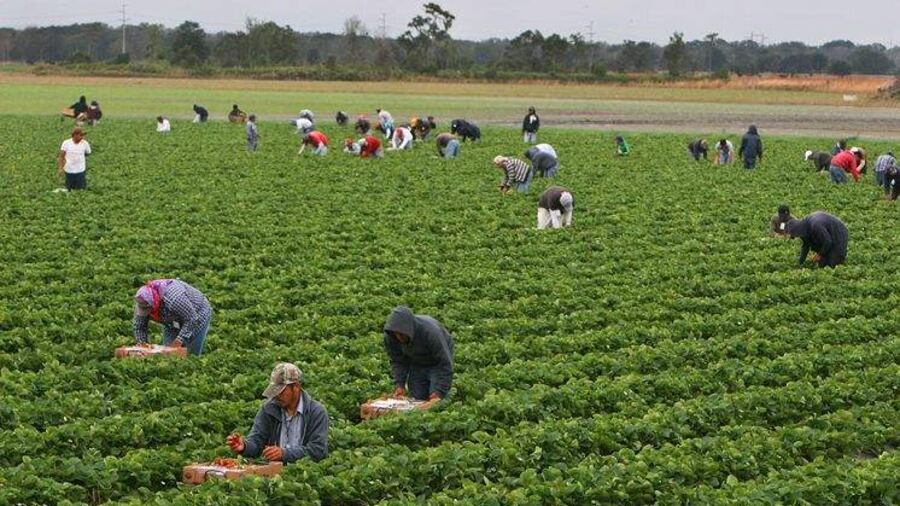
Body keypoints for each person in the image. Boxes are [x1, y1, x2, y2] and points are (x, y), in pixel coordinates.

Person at [226, 363, 329, 463]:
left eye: (281, 391)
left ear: (296, 387)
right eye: (275, 391)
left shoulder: (316, 412)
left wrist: (284, 454)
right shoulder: (268, 409)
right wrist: (244, 446)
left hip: (304, 475)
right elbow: (257, 441)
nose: (276, 395)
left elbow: (318, 451)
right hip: (274, 474)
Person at [383, 306, 454, 405]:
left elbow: (445, 363)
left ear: (408, 329)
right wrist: (400, 384)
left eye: (402, 334)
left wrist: (439, 392)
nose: (399, 337)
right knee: (416, 398)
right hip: (416, 362)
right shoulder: (391, 337)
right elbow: (398, 361)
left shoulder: (430, 332)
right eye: (396, 334)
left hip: (436, 362)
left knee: (436, 400)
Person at [133, 279, 213, 356]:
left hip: (197, 314)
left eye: (149, 309)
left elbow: (191, 319)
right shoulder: (142, 301)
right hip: (172, 321)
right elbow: (139, 326)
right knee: (168, 355)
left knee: (190, 354)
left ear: (154, 302)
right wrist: (143, 345)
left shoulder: (173, 299)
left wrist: (179, 341)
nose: (147, 312)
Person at [784, 212, 848, 268]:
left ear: (797, 231)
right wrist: (800, 263)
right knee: (822, 263)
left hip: (838, 234)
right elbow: (806, 246)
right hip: (827, 236)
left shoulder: (816, 225)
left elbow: (828, 241)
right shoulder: (803, 229)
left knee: (832, 264)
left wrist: (819, 255)